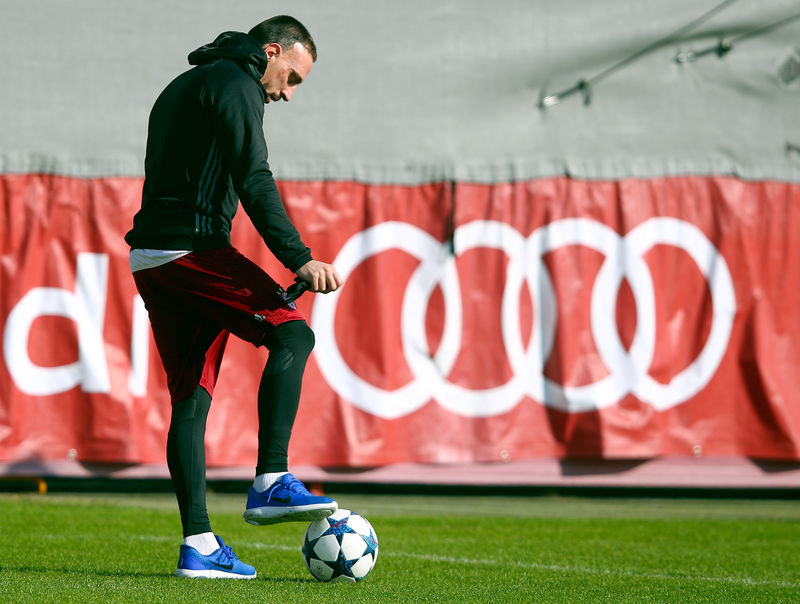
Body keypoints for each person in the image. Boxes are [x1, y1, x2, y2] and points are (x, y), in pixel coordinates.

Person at [124, 15, 343, 579]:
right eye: (291, 76)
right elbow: (254, 176)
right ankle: (272, 478)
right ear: (271, 50)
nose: (288, 93)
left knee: (191, 402)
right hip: (191, 251)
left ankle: (198, 544)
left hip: (153, 257)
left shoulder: (191, 81)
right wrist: (299, 257)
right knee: (293, 332)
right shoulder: (236, 83)